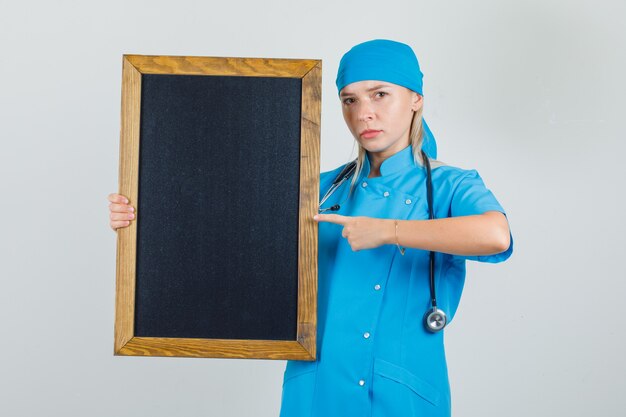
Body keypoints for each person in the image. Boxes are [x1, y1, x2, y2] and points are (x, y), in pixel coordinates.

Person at [108, 39, 513, 417]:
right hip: (314, 393)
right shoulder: (315, 187)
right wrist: (146, 219)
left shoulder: (448, 184)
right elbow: (228, 237)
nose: (363, 113)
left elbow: (496, 236)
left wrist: (388, 231)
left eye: (380, 94)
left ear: (416, 99)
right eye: (349, 100)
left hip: (401, 395)